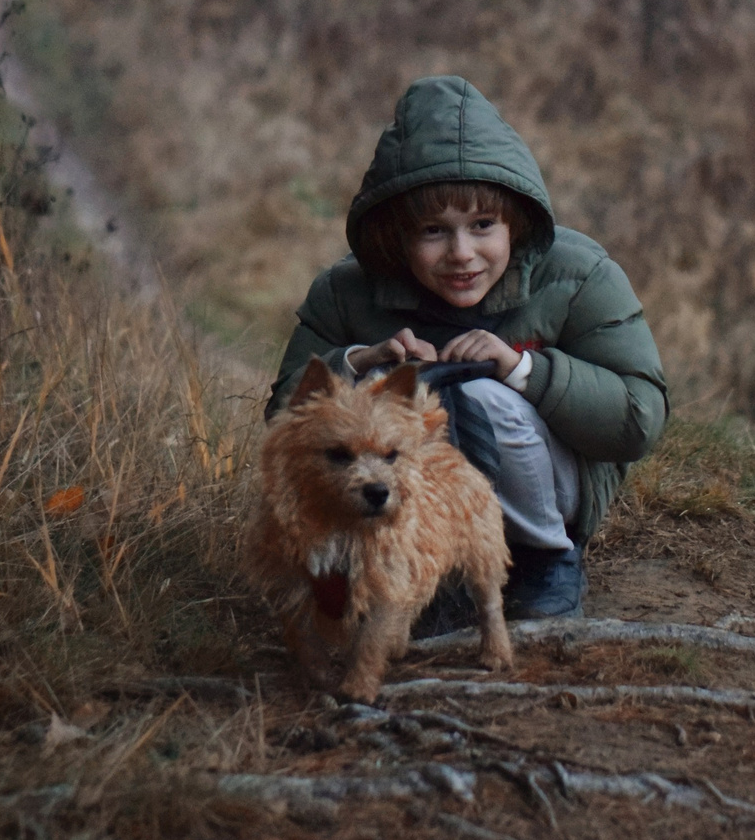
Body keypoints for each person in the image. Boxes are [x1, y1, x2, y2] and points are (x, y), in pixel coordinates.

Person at [265, 75, 666, 619]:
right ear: (396, 236)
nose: (462, 253)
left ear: (514, 221)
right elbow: (284, 419)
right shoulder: (345, 290)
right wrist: (357, 364)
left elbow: (639, 420)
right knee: (382, 396)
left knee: (482, 396)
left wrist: (522, 369)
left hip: (553, 485)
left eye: (482, 225)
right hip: (401, 505)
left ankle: (546, 557)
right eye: (434, 231)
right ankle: (416, 566)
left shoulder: (579, 275)